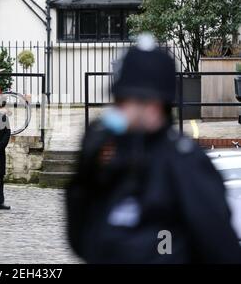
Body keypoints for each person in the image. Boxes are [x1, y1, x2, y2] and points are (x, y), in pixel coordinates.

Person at [67, 34, 241, 263]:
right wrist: (84, 174)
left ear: (153, 105)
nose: (118, 110)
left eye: (125, 102)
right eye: (118, 101)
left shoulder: (186, 163)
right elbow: (83, 242)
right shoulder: (114, 159)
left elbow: (222, 249)